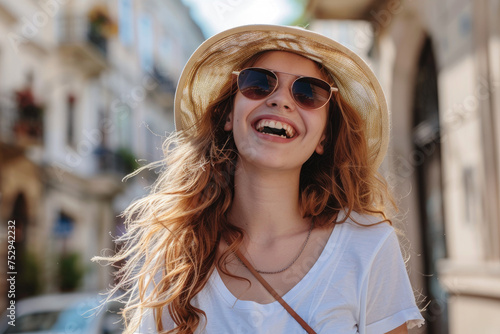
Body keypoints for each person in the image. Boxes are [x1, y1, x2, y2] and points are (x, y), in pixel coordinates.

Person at [94, 25, 425, 333]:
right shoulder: (176, 255)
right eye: (258, 83)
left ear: (324, 136)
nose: (280, 100)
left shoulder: (368, 246)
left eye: (308, 93)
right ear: (227, 116)